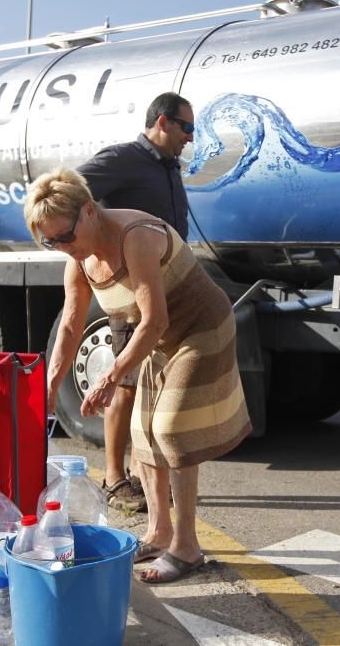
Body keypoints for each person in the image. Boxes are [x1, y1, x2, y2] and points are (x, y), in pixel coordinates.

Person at [25, 168, 251, 583]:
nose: (61, 248)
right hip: (163, 340)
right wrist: (51, 384)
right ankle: (159, 531)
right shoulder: (80, 258)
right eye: (49, 241)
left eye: (64, 236)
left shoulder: (137, 237)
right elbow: (71, 326)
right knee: (142, 433)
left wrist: (110, 376)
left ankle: (186, 547)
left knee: (170, 429)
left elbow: (154, 321)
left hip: (201, 328)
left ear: (89, 212)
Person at [67, 92, 195, 511]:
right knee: (125, 384)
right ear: (163, 122)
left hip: (165, 286)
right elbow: (74, 192)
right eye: (186, 128)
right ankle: (114, 477)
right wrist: (96, 245)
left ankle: (143, 474)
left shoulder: (167, 165)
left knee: (152, 387)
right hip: (131, 288)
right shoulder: (125, 159)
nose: (190, 139)